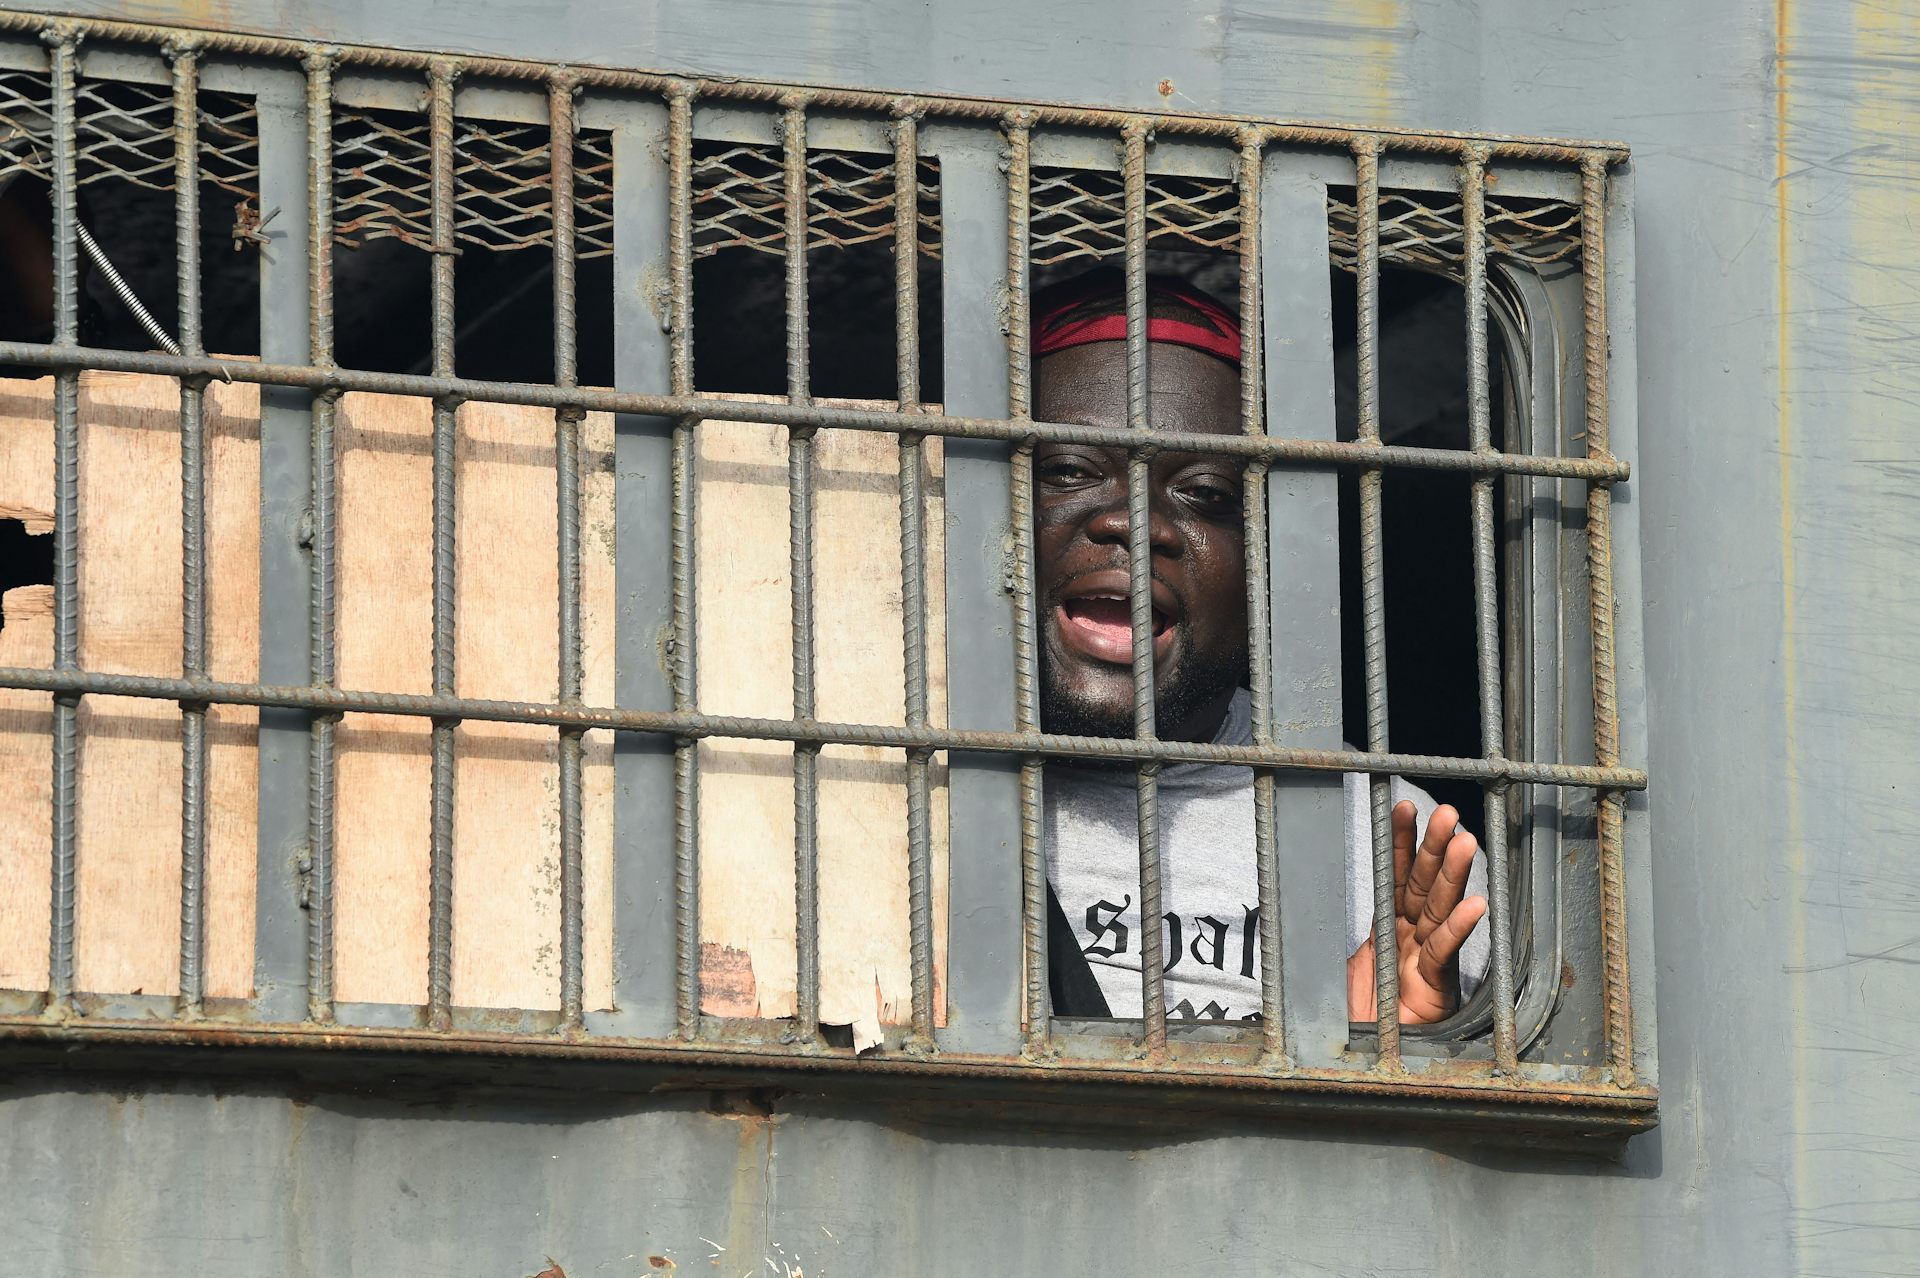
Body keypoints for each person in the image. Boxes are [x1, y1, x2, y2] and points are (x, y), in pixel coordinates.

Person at [1034, 268, 1490, 1024]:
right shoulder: (886, 792)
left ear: (1266, 561)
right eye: (1071, 471)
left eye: (1204, 494)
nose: (1135, 524)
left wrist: (1384, 1050)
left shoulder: (1381, 839)